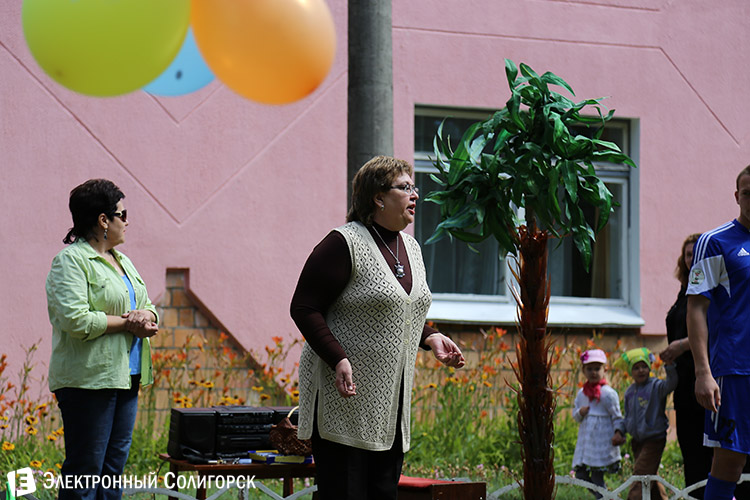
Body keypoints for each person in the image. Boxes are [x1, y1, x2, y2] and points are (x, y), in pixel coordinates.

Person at [290, 155, 466, 500]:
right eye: (405, 187)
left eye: (414, 187)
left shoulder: (411, 247)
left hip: (390, 408)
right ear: (378, 197)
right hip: (345, 402)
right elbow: (304, 307)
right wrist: (338, 358)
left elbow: (403, 311)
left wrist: (431, 336)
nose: (415, 194)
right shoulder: (343, 243)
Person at [46, 179, 159, 500]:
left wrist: (145, 316)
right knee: (85, 470)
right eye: (123, 214)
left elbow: (147, 306)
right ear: (103, 220)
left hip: (127, 377)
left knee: (112, 471)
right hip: (88, 381)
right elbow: (75, 319)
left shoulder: (123, 261)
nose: (127, 221)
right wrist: (128, 323)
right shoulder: (70, 261)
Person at [687, 165, 750, 500]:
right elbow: (696, 307)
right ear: (737, 196)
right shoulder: (714, 242)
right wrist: (703, 372)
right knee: (729, 464)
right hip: (734, 370)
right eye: (748, 193)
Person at [660, 233, 712, 499]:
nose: (692, 259)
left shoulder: (712, 288)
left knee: (708, 453)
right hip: (683, 384)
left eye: (697, 254)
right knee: (690, 452)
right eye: (688, 254)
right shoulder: (685, 291)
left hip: (706, 380)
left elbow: (714, 331)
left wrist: (681, 345)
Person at [613, 347, 677, 500]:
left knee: (640, 475)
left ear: (649, 368)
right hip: (637, 441)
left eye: (644, 366)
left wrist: (669, 366)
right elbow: (627, 417)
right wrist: (619, 431)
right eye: (636, 368)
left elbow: (671, 384)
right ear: (630, 372)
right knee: (649, 475)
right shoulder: (629, 392)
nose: (641, 370)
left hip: (654, 439)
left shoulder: (656, 386)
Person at [572, 349, 624, 499]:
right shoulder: (582, 394)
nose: (593, 372)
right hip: (586, 443)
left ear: (605, 370)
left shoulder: (608, 394)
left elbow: (617, 416)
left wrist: (618, 432)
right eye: (589, 369)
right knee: (581, 475)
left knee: (596, 476)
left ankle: (603, 497)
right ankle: (606, 497)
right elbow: (576, 416)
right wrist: (580, 412)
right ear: (583, 370)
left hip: (600, 443)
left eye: (597, 368)